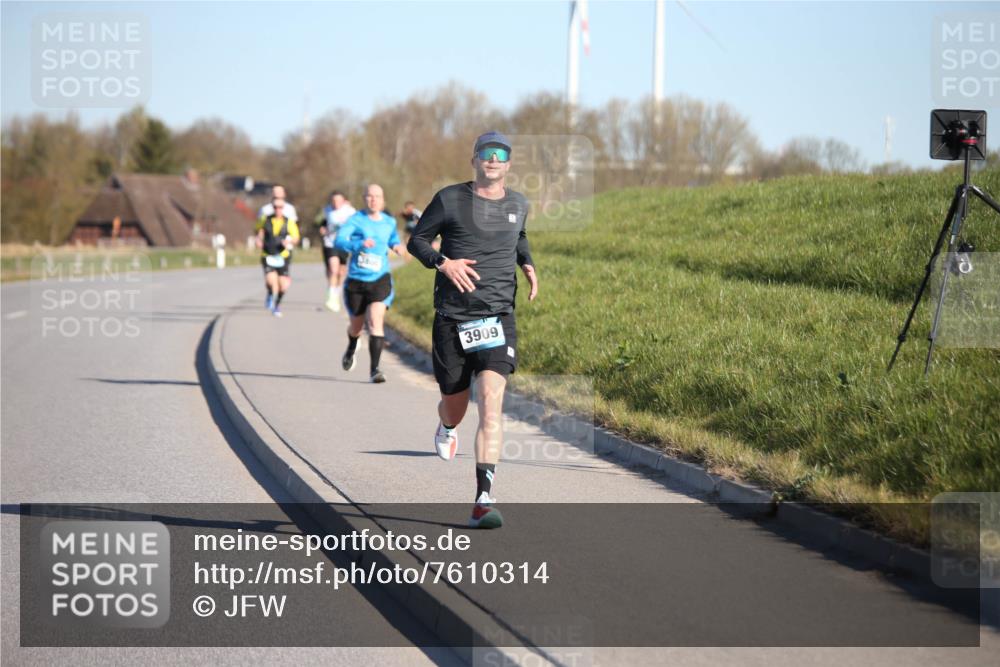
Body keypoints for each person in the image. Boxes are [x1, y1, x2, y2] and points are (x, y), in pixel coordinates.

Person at [407, 131, 538, 529]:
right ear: (475, 160)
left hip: (498, 317)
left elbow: (520, 238)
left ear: (509, 164)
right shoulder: (449, 198)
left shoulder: (519, 203)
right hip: (452, 317)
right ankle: (447, 425)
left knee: (492, 401)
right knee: (456, 402)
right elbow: (417, 241)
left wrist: (528, 263)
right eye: (486, 153)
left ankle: (483, 497)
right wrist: (443, 263)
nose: (493, 160)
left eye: (500, 155)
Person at [335, 184, 407, 383]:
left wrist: (397, 246)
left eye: (377, 196)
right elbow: (339, 241)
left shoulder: (389, 222)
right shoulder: (356, 220)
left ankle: (375, 370)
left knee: (376, 321)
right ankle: (352, 346)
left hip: (379, 279)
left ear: (383, 200)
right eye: (369, 196)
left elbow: (392, 238)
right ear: (364, 199)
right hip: (356, 282)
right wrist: (358, 245)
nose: (373, 199)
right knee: (356, 327)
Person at [256, 197, 300, 317]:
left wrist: (289, 242)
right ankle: (270, 293)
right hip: (268, 254)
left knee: (283, 285)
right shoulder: (265, 219)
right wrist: (258, 240)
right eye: (275, 207)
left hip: (282, 255)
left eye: (280, 207)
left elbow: (296, 237)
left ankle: (277, 304)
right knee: (271, 281)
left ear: (283, 208)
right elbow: (259, 231)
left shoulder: (288, 222)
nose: (277, 210)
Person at [318, 190, 357, 311]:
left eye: (338, 200)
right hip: (330, 243)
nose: (335, 203)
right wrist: (322, 228)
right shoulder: (327, 210)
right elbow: (320, 222)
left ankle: (337, 293)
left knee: (342, 271)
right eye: (333, 200)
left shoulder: (350, 211)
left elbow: (357, 224)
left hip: (345, 244)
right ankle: (331, 295)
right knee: (333, 269)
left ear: (343, 201)